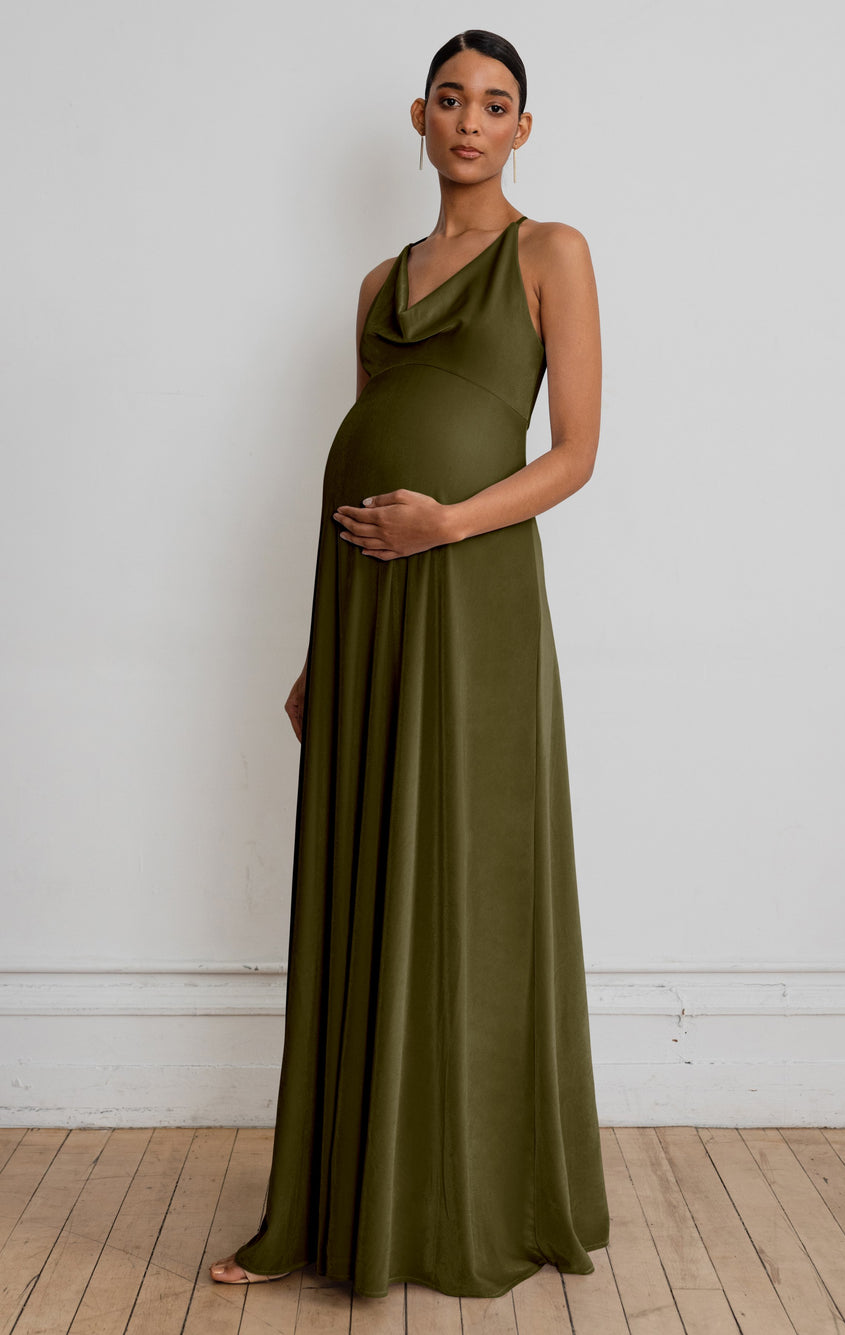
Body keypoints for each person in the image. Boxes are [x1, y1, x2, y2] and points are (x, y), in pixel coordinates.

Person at [210, 27, 609, 1300]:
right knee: (366, 867)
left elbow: (573, 453)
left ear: (521, 130)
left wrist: (446, 523)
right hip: (364, 606)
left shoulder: (550, 253)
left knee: (468, 872)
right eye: (450, 99)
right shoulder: (378, 281)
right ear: (419, 118)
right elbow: (367, 441)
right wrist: (317, 647)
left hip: (471, 590)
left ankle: (471, 1199)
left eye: (494, 104)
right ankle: (338, 1209)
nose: (470, 122)